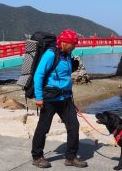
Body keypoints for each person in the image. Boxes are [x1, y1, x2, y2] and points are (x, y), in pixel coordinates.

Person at [31, 29, 87, 168]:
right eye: (72, 44)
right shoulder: (50, 55)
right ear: (63, 42)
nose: (74, 46)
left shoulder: (67, 54)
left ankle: (71, 157)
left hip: (66, 98)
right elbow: (38, 75)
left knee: (74, 126)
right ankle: (37, 156)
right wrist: (39, 97)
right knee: (43, 128)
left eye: (75, 43)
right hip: (50, 99)